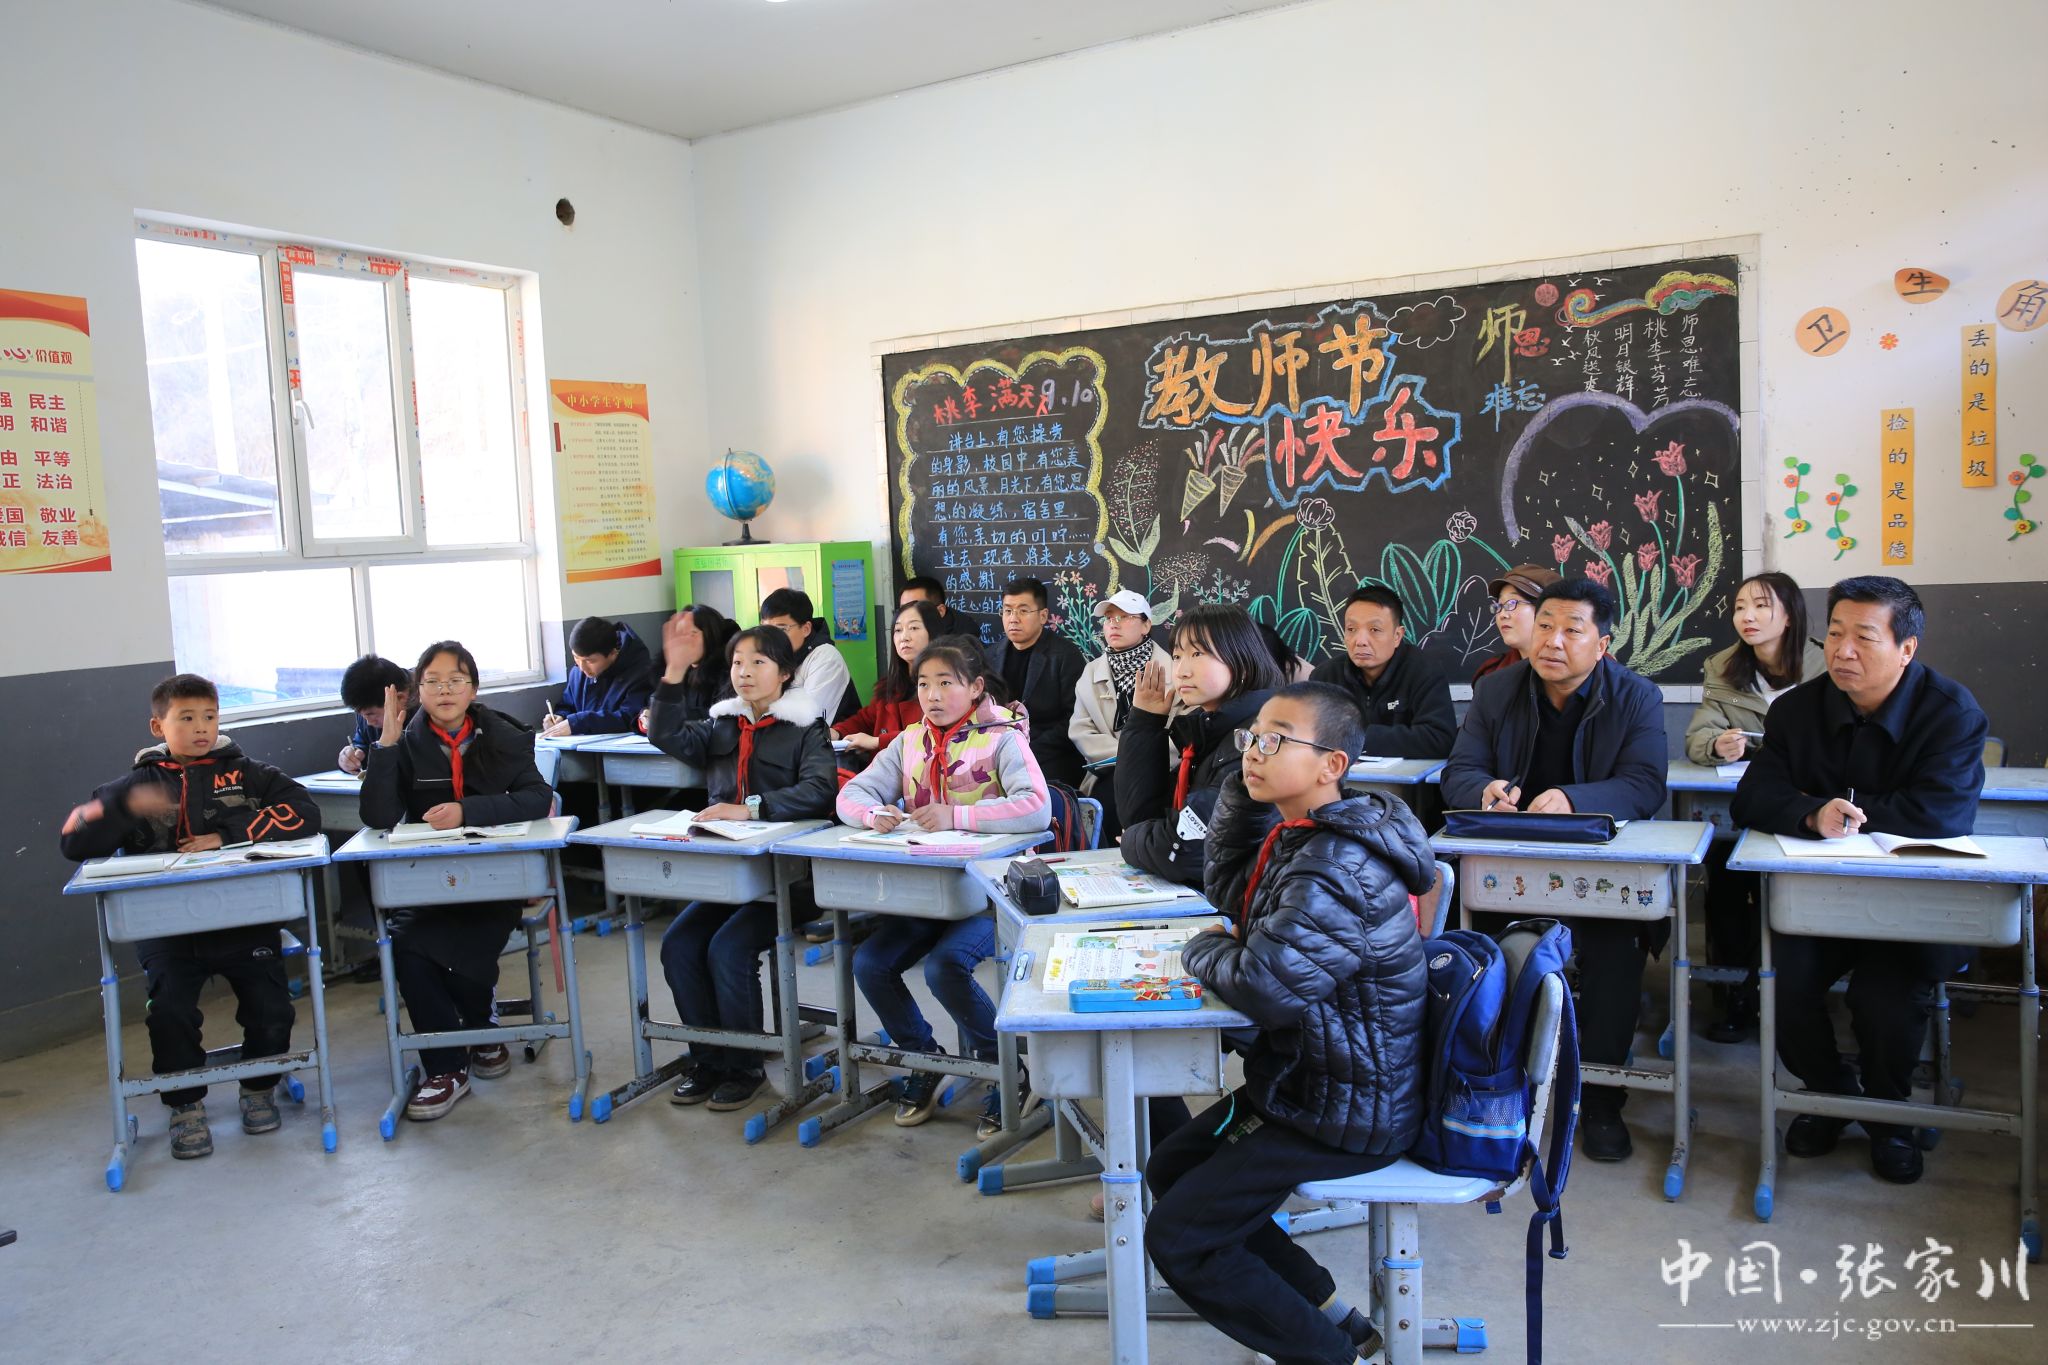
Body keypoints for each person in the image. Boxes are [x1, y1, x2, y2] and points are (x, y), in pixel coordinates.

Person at [1146, 682, 1434, 1365]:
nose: (1254, 751)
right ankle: (1331, 1313)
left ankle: (1329, 1357)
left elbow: (1264, 986)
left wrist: (1199, 948)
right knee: (1172, 1165)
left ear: (1332, 765)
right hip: (1307, 1083)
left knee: (1178, 1237)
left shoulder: (1338, 863)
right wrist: (1246, 792)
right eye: (1252, 738)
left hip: (1344, 1110)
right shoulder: (1304, 833)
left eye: (1275, 740)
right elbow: (1230, 893)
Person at [1731, 576, 1987, 1185]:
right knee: (1779, 985)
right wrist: (1810, 813)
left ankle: (1889, 1117)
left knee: (1885, 1001)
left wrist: (1841, 809)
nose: (1843, 651)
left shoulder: (1951, 713)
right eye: (1835, 634)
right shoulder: (1797, 709)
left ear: (1907, 649)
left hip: (1914, 905)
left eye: (1864, 638)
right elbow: (1751, 798)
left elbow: (1941, 814)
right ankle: (1830, 1094)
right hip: (1819, 901)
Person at [1439, 577, 1666, 1162]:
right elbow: (1459, 770)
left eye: (1572, 630)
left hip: (1598, 872)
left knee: (1615, 958)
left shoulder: (1636, 696)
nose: (1552, 641)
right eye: (1544, 626)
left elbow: (1645, 785)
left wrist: (1574, 799)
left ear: (1602, 645)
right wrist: (1484, 790)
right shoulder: (1497, 691)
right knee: (1482, 956)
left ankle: (1602, 1099)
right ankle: (1493, 1087)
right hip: (1509, 871)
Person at [60, 674, 320, 1160]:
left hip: (245, 922)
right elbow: (73, 840)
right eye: (186, 718)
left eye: (209, 716)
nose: (201, 727)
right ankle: (185, 1105)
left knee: (271, 1008)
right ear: (158, 725)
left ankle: (258, 1088)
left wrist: (228, 835)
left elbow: (305, 811)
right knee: (171, 1014)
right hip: (168, 931)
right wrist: (122, 809)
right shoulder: (134, 785)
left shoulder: (248, 774)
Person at [837, 639, 1051, 1137]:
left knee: (944, 967)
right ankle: (925, 1059)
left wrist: (956, 815)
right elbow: (852, 792)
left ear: (975, 688)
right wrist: (873, 813)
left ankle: (1007, 1069)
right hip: (929, 892)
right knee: (869, 963)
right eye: (923, 684)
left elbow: (1036, 807)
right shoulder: (909, 740)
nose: (931, 695)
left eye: (945, 683)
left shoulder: (1002, 738)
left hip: (992, 893)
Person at [358, 641, 555, 1122]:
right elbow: (378, 816)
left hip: (493, 882)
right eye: (432, 682)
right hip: (428, 884)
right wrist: (385, 745)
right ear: (416, 691)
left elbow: (537, 798)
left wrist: (468, 811)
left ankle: (479, 1028)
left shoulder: (503, 735)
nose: (444, 690)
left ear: (473, 689)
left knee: (460, 942)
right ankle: (447, 1067)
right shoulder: (405, 742)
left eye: (456, 680)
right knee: (407, 943)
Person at [648, 624, 838, 1111]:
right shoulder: (723, 724)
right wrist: (673, 672)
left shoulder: (806, 727)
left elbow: (821, 790)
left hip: (786, 879)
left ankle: (745, 1065)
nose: (745, 672)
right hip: (727, 877)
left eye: (758, 662)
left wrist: (750, 809)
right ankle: (709, 1058)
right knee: (679, 945)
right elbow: (664, 733)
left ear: (785, 672)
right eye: (737, 663)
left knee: (728, 949)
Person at [1682, 572, 1824, 1041]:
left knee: (1789, 893)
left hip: (1806, 804)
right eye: (1740, 607)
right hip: (1745, 799)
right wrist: (1716, 744)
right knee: (1724, 881)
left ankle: (1796, 995)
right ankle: (1736, 995)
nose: (1748, 616)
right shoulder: (1723, 666)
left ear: (1789, 615)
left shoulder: (1826, 663)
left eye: (1762, 606)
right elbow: (1699, 734)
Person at [1116, 604, 1283, 889]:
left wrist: (1130, 840)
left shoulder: (1254, 739)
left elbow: (1182, 851)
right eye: (1177, 656)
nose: (1181, 671)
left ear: (1241, 661)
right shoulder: (1206, 730)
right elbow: (1140, 816)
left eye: (1197, 654)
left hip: (1244, 905)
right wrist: (1145, 722)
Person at [1308, 585, 1456, 758]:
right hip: (1339, 773)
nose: (1360, 641)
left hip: (1405, 775)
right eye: (1351, 629)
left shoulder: (1423, 671)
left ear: (1397, 636)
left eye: (1374, 630)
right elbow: (1308, 735)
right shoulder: (1325, 677)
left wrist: (1355, 737)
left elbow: (1440, 739)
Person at [984, 576, 1087, 787]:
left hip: (1051, 754)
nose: (1013, 618)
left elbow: (1074, 718)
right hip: (998, 751)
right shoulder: (990, 656)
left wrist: (1027, 750)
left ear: (1043, 616)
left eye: (1023, 611)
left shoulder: (1065, 656)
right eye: (1007, 610)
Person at [834, 599, 944, 765]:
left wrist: (877, 742)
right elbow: (865, 719)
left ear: (933, 633)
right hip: (881, 773)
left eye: (914, 628)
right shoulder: (889, 686)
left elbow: (931, 734)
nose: (904, 637)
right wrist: (836, 732)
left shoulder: (944, 687)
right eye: (898, 630)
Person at [1069, 589, 1169, 769]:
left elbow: (1181, 733)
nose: (1114, 624)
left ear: (1146, 626)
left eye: (1124, 617)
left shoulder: (1172, 670)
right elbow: (1081, 731)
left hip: (1161, 771)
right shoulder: (1091, 672)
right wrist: (1127, 756)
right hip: (1108, 770)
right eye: (1109, 618)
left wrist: (1144, 759)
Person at [541, 616, 655, 737]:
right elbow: (568, 704)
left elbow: (630, 717)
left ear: (613, 653)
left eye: (590, 661)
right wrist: (560, 716)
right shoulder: (578, 671)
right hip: (581, 745)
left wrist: (579, 722)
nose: (581, 667)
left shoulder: (641, 673)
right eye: (576, 657)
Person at [759, 587, 859, 724]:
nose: (771, 637)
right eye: (766, 629)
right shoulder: (769, 658)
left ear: (806, 629)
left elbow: (805, 720)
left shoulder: (825, 657)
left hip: (827, 737)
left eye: (781, 629)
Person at [1472, 564, 1563, 682]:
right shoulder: (1492, 675)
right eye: (1499, 605)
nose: (1502, 615)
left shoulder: (1574, 674)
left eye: (1512, 603)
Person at [337, 654, 410, 775]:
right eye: (361, 714)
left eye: (371, 714)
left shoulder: (430, 713)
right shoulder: (367, 706)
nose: (368, 723)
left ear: (400, 698)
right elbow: (362, 744)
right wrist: (350, 758)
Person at [899, 574, 994, 646]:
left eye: (915, 607)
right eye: (903, 609)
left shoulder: (962, 648)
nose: (907, 615)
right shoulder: (902, 637)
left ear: (940, 611)